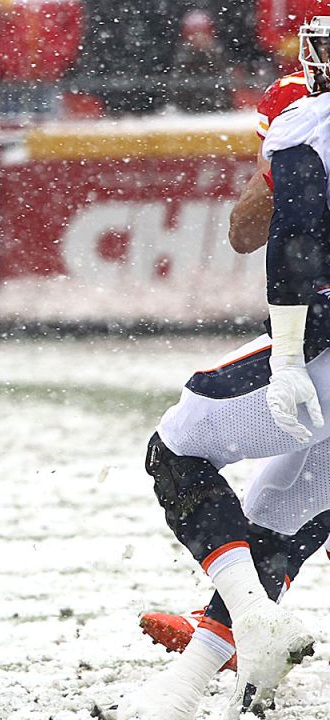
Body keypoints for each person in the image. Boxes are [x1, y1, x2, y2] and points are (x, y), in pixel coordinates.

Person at [102, 16, 330, 720]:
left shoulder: (306, 118)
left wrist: (289, 356)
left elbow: (277, 240)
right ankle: (186, 688)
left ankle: (250, 623)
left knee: (177, 449)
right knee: (278, 517)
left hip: (321, 343)